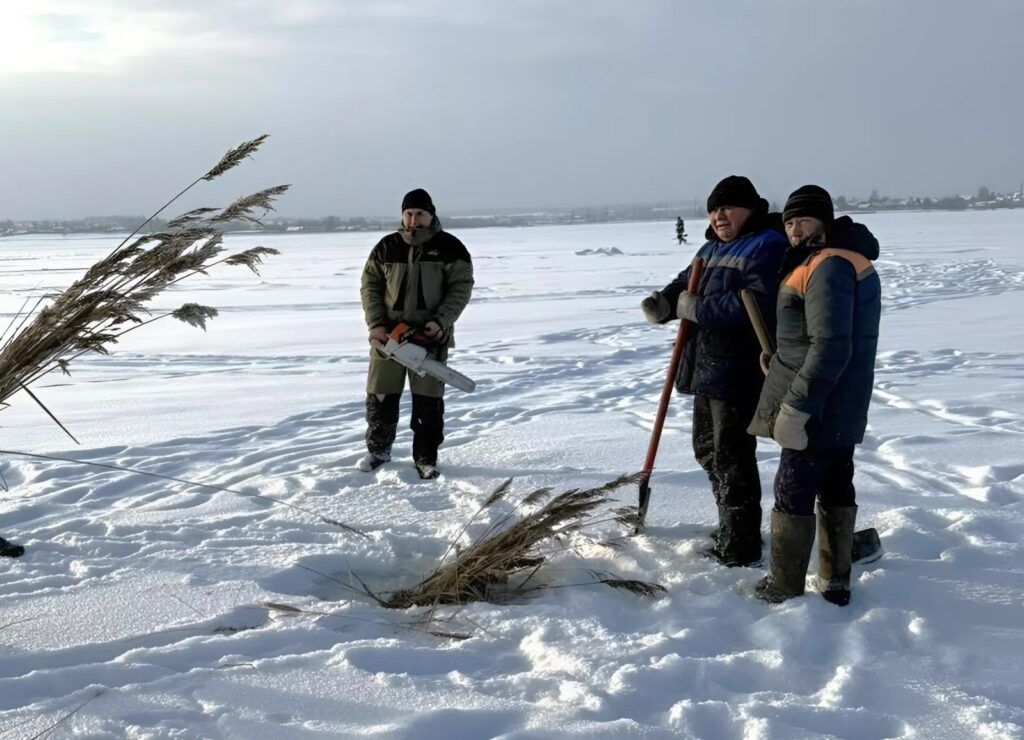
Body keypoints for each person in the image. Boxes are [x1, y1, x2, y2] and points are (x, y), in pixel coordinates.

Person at [642, 176, 787, 566]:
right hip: (706, 366)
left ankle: (740, 546)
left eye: (728, 208)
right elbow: (685, 283)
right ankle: (733, 525)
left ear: (750, 209)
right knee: (708, 451)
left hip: (738, 370)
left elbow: (754, 305)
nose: (719, 215)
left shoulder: (767, 246)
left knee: (732, 456)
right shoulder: (711, 247)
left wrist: (697, 309)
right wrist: (665, 303)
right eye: (713, 208)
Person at [747, 185, 881, 606]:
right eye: (788, 223)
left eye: (803, 220)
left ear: (824, 220)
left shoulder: (827, 264)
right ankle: (836, 580)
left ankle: (783, 586)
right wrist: (781, 361)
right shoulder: (838, 259)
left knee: (793, 488)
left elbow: (831, 345)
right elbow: (813, 338)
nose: (794, 230)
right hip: (839, 401)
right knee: (838, 482)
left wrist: (797, 405)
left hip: (818, 405)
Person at [358, 189, 474, 479]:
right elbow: (370, 286)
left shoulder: (450, 247)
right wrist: (376, 324)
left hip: (429, 336)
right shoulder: (386, 247)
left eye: (419, 213)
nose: (413, 219)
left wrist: (440, 322)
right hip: (388, 340)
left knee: (428, 402)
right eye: (408, 213)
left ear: (431, 214)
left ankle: (425, 458)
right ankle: (378, 450)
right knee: (381, 397)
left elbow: (460, 288)